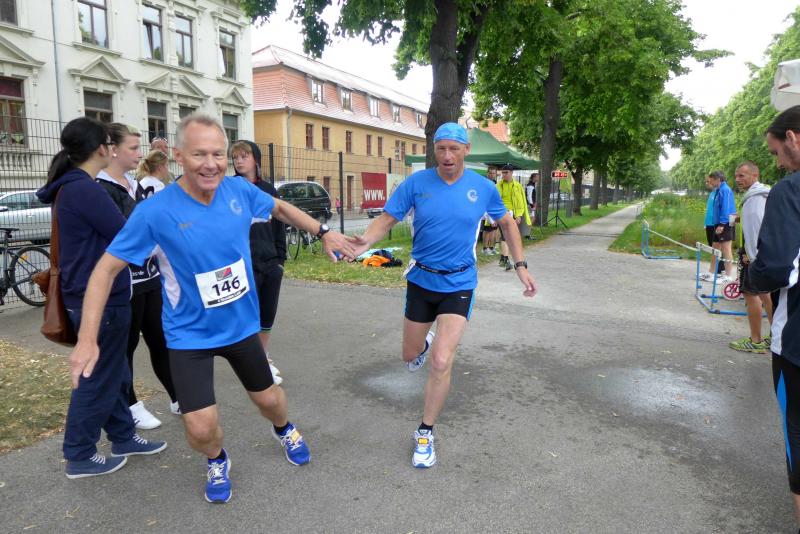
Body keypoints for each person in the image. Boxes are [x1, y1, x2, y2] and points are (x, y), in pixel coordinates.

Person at [67, 113, 355, 503]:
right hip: (189, 335)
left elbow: (280, 208)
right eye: (199, 154)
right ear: (179, 156)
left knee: (270, 401)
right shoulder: (155, 212)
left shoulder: (239, 192)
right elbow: (104, 270)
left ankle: (284, 429)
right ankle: (217, 458)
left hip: (240, 327)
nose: (211, 164)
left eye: (218, 154)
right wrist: (87, 340)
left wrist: (323, 231)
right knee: (200, 428)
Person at [349, 122, 537, 468]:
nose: (447, 156)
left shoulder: (483, 188)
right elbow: (387, 219)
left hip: (459, 284)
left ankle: (425, 432)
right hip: (421, 281)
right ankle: (422, 344)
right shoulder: (416, 184)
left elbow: (508, 224)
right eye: (441, 149)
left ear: (466, 150)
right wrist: (363, 243)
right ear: (434, 150)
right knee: (410, 356)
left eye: (454, 148)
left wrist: (520, 265)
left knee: (440, 361)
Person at [36, 117, 166, 479]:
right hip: (99, 300)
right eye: (112, 144)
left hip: (97, 295)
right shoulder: (85, 190)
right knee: (97, 376)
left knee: (114, 372)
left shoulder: (76, 186)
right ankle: (79, 453)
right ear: (101, 149)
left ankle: (123, 436)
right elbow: (126, 236)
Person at [96, 123, 178, 428]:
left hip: (150, 277)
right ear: (113, 150)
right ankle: (130, 404)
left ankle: (178, 396)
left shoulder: (136, 184)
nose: (139, 154)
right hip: (124, 282)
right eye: (132, 147)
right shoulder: (101, 189)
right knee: (126, 345)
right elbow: (124, 234)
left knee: (160, 338)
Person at [748, 105, 800, 529]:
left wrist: (748, 277)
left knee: (797, 435)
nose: (778, 163)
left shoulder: (789, 191)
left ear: (793, 138)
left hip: (797, 341)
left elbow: (775, 267)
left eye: (776, 152)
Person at [231, 139, 287, 385]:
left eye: (244, 156)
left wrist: (280, 260)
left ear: (256, 159)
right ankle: (258, 362)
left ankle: (263, 356)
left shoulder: (268, 189)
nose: (239, 161)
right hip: (244, 263)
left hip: (270, 262)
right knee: (248, 315)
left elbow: (279, 225)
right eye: (235, 157)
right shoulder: (229, 189)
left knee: (267, 314)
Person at [728, 161, 772, 354]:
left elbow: (756, 229)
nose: (738, 179)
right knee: (767, 296)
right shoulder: (761, 195)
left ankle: (756, 340)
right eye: (736, 176)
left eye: (742, 175)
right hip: (762, 255)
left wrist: (751, 256)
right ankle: (777, 337)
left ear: (755, 175)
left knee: (751, 295)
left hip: (754, 258)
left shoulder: (754, 200)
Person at [699, 171, 736, 282]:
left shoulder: (725, 190)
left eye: (711, 181)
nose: (709, 183)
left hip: (726, 222)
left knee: (726, 248)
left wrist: (722, 224)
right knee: (715, 248)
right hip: (718, 223)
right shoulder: (718, 190)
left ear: (718, 179)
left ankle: (728, 276)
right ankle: (711, 273)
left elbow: (726, 208)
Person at [496, 164, 531, 270]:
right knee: (505, 236)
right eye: (503, 173)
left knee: (513, 237)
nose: (504, 175)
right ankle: (508, 260)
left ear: (511, 173)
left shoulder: (517, 186)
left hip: (514, 214)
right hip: (502, 214)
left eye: (506, 172)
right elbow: (494, 201)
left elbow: (520, 202)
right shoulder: (498, 185)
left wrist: (518, 215)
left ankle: (505, 259)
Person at [481, 166, 499, 255]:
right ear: (487, 173)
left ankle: (491, 247)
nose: (492, 175)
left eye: (493, 173)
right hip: (487, 209)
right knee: (487, 229)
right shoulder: (484, 182)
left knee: (494, 229)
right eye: (490, 173)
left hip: (494, 208)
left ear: (496, 174)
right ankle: (485, 248)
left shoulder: (495, 183)